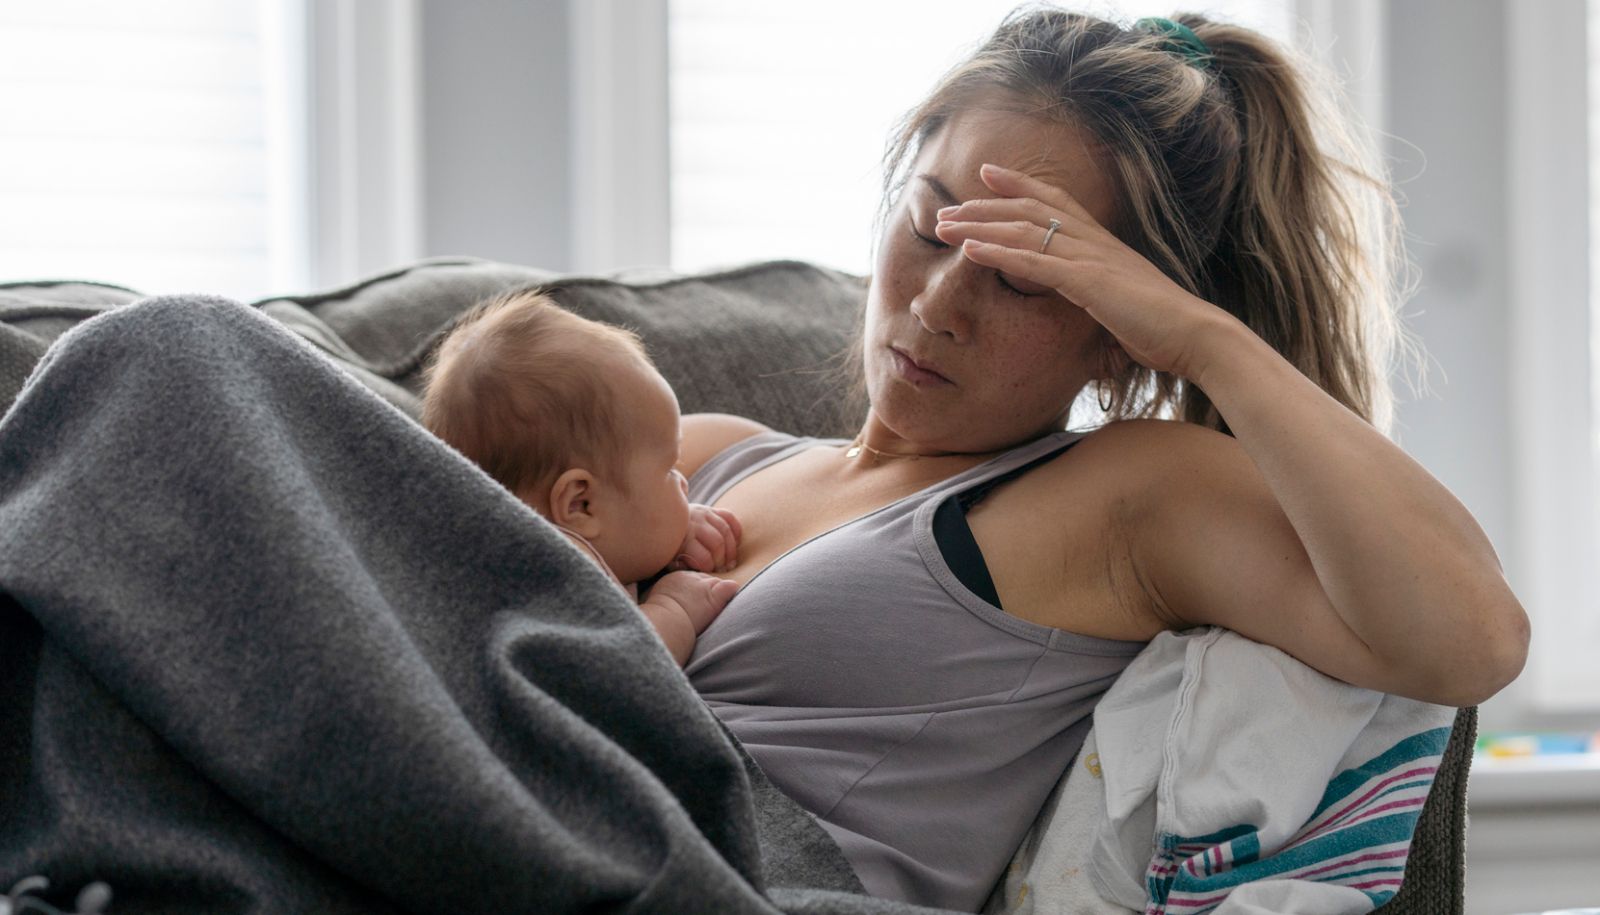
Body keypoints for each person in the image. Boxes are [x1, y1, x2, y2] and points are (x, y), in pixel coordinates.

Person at [672, 7, 1530, 911]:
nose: (938, 304)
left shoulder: (1114, 498)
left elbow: (1474, 640)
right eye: (931, 227)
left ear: (1117, 334)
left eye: (1023, 279)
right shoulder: (709, 451)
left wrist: (1206, 342)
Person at [418, 289, 743, 666]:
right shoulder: (549, 568)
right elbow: (620, 670)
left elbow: (619, 543)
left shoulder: (505, 538)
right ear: (580, 503)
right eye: (668, 470)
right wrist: (674, 609)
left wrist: (668, 532)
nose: (684, 484)